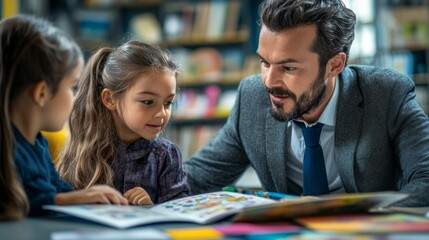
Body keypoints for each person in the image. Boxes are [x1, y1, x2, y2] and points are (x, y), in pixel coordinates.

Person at [184, 0, 429, 207]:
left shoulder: (386, 94)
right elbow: (199, 176)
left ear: (334, 65)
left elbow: (425, 178)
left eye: (288, 67)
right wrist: (148, 182)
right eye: (265, 63)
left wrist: (365, 223)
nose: (269, 81)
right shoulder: (252, 97)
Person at [0, 15, 128, 219]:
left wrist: (83, 196)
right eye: (72, 86)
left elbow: (53, 186)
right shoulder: (8, 146)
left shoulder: (37, 141)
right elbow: (27, 203)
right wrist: (70, 200)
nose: (75, 97)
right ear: (41, 93)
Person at [57, 40, 189, 205]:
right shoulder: (83, 148)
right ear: (110, 99)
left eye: (168, 103)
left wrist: (151, 208)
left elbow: (179, 211)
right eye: (148, 102)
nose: (162, 113)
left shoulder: (166, 155)